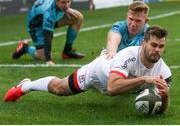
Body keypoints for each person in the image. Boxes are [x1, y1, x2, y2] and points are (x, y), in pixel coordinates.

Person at [5, 25, 171, 114]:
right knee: (60, 89)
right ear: (143, 44)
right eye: (153, 45)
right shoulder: (128, 55)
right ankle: (27, 85)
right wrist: (143, 79)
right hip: (97, 73)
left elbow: (161, 111)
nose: (157, 49)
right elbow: (112, 88)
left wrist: (165, 98)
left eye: (161, 46)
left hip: (118, 83)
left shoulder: (164, 72)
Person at [12, 0, 85, 65]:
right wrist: (48, 60)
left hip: (49, 17)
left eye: (68, 2)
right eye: (63, 2)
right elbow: (48, 36)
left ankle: (67, 51)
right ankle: (24, 48)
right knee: (41, 56)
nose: (67, 5)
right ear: (56, 1)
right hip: (36, 25)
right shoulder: (48, 12)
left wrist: (66, 9)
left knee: (78, 17)